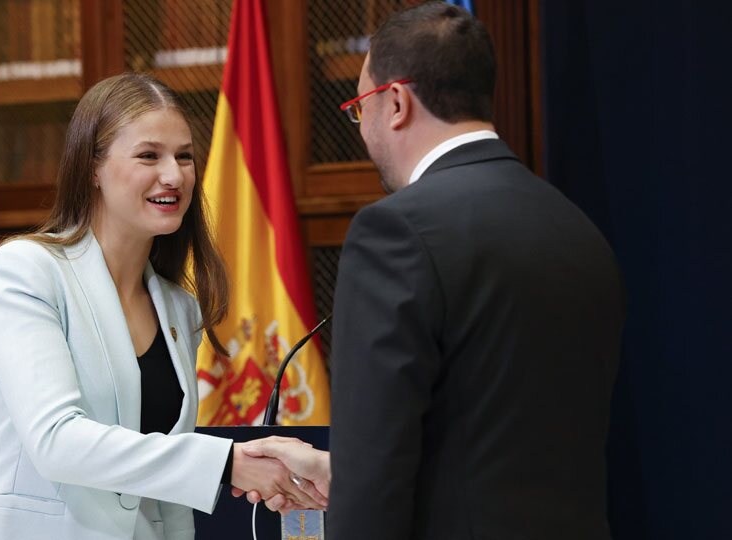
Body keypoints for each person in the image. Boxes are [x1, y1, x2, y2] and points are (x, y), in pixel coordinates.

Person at [245, 2, 625, 538]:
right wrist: (338, 473)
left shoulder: (395, 232)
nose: (363, 126)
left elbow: (379, 479)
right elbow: (500, 447)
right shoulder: (576, 228)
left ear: (395, 101)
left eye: (359, 107)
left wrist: (357, 483)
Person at [0, 72, 324, 540]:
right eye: (149, 155)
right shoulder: (25, 270)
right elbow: (57, 441)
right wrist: (229, 463)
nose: (174, 175)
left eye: (184, 157)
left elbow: (163, 496)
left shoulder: (178, 308)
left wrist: (264, 466)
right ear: (92, 168)